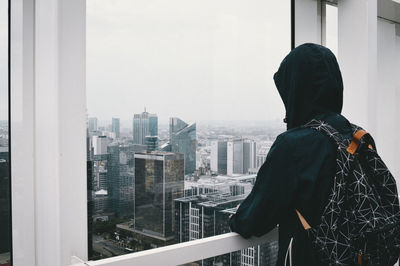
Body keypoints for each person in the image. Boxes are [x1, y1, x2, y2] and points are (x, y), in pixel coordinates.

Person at [229, 43, 351, 265]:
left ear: (296, 89)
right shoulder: (354, 136)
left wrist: (237, 216)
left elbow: (254, 219)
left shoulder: (295, 145)